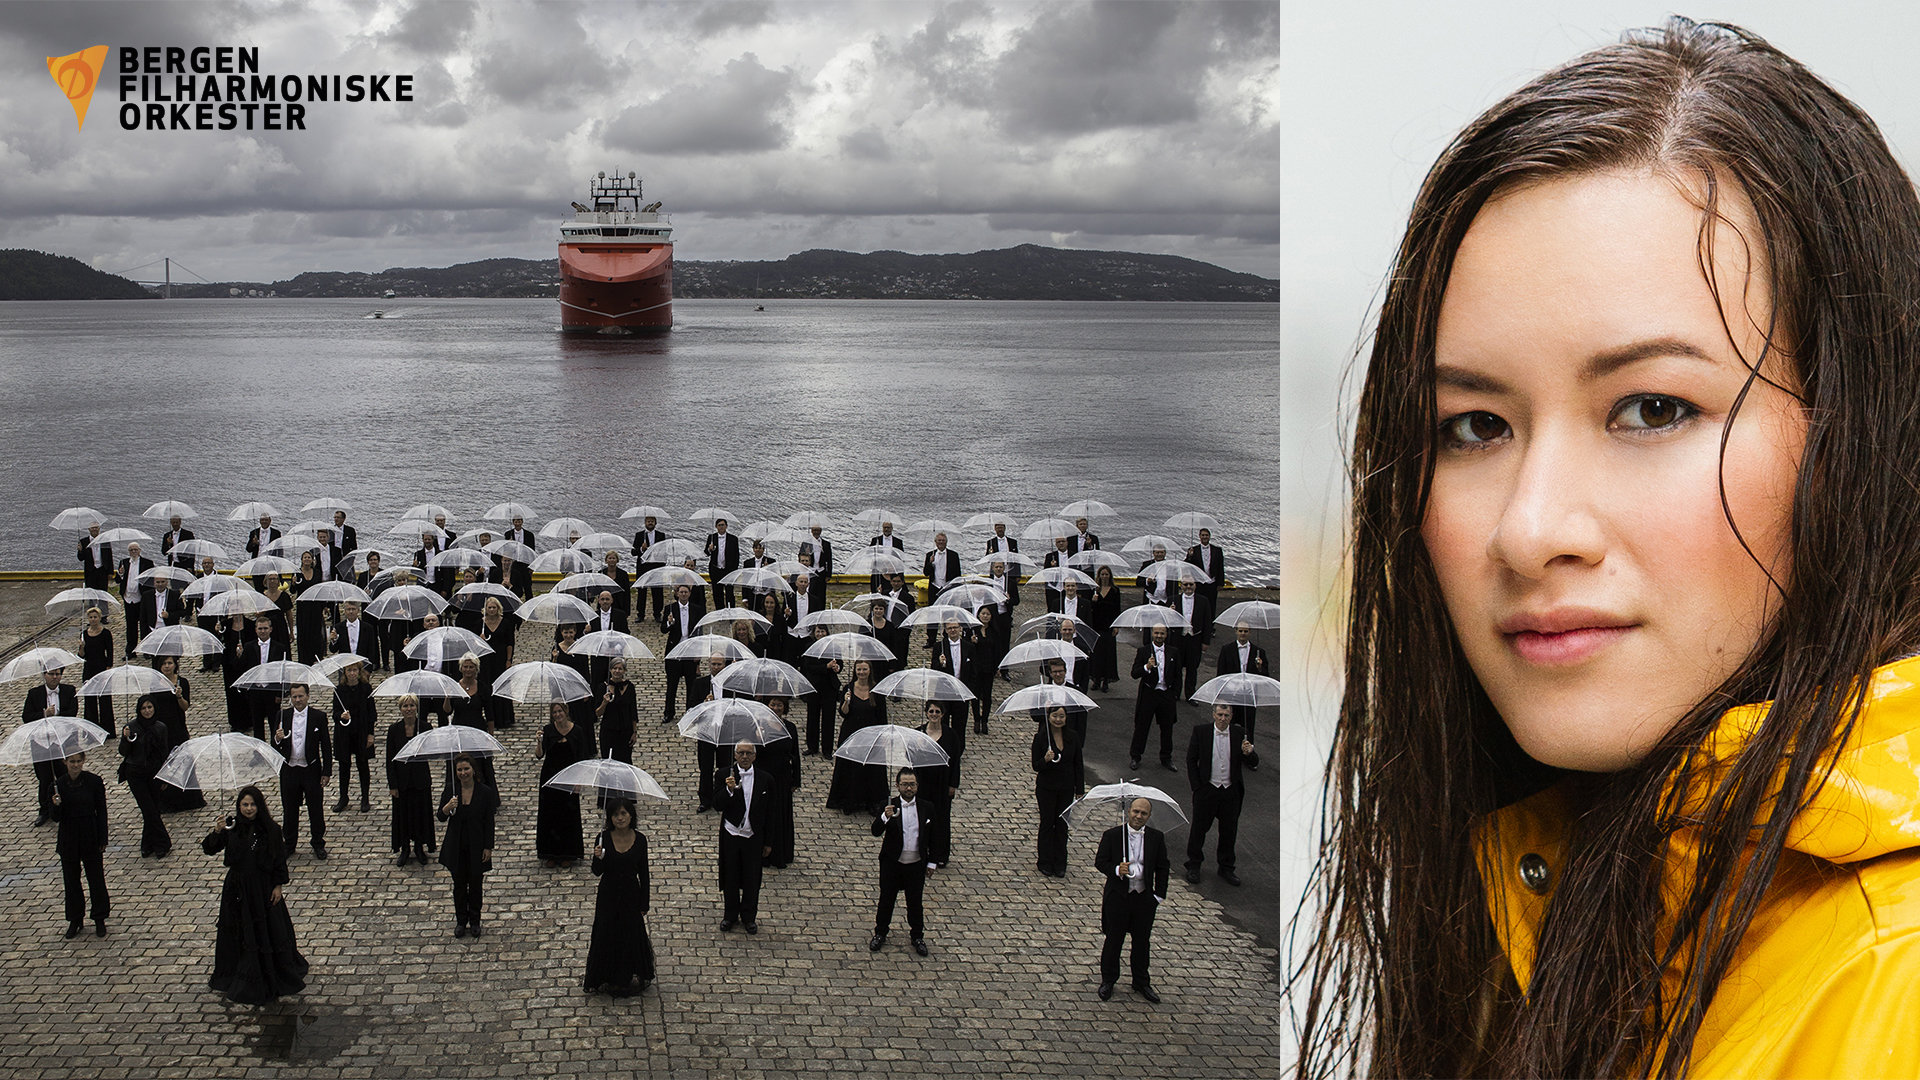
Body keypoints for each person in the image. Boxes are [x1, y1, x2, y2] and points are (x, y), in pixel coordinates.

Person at [1292, 20, 1920, 1077]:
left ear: (1868, 434)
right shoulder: (1548, 902)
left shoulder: (1889, 979)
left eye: (1653, 407)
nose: (1531, 529)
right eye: (1474, 426)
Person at [202, 786, 308, 1002]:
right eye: (244, 805)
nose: (249, 809)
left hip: (262, 887)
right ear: (239, 806)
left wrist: (278, 885)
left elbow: (279, 858)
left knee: (268, 929)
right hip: (237, 887)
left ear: (259, 806)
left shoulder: (270, 829)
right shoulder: (231, 827)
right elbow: (210, 849)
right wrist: (217, 830)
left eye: (252, 804)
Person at [1094, 797, 1168, 1003]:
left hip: (1144, 898)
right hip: (1118, 898)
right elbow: (1100, 862)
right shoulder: (1112, 835)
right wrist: (1117, 869)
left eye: (1143, 813)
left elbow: (1163, 866)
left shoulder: (1156, 837)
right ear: (1129, 812)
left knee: (1142, 942)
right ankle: (1108, 980)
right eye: (1135, 812)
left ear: (1148, 816)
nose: (1138, 816)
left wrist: (1158, 896)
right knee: (1114, 940)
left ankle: (1141, 982)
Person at [584, 799, 655, 997]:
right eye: (615, 815)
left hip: (631, 895)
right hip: (608, 895)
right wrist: (597, 857)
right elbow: (597, 872)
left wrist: (645, 901)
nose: (620, 818)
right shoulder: (603, 838)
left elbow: (644, 872)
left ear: (631, 816)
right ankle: (610, 978)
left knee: (628, 936)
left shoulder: (640, 839)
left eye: (623, 814)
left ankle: (624, 978)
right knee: (608, 935)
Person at [1184, 703, 1257, 886]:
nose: (1223, 718)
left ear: (1231, 716)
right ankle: (1193, 865)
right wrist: (1197, 787)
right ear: (1213, 715)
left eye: (1226, 715)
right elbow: (1191, 760)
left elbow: (1254, 761)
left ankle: (1226, 867)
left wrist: (1249, 753)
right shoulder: (1201, 731)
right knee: (1199, 829)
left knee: (1229, 831)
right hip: (1207, 789)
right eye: (1220, 714)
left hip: (1230, 791)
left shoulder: (1240, 733)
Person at [868, 768, 937, 956]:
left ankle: (917, 936)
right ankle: (880, 932)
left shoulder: (926, 807)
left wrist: (932, 863)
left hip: (916, 864)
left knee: (915, 902)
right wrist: (884, 816)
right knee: (886, 900)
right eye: (905, 784)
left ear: (917, 786)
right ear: (897, 786)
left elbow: (934, 837)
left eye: (912, 784)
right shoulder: (888, 805)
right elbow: (875, 831)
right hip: (892, 863)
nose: (909, 788)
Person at [438, 752, 498, 938]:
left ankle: (475, 920)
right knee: (459, 886)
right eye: (459, 770)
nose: (463, 773)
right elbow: (440, 817)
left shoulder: (485, 792)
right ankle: (461, 920)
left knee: (475, 884)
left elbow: (489, 822)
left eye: (466, 769)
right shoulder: (451, 790)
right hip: (456, 845)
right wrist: (447, 808)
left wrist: (488, 847)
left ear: (473, 770)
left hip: (476, 845)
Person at [50, 751, 109, 939]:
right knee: (71, 881)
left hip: (89, 834)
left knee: (96, 878)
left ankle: (99, 918)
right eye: (72, 762)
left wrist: (102, 839)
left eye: (78, 761)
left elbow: (101, 811)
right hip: (69, 837)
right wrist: (55, 805)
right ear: (65, 762)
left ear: (83, 761)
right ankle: (75, 919)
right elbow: (56, 818)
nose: (75, 765)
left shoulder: (93, 781)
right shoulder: (58, 785)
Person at [715, 740, 771, 933]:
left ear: (755, 756)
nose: (745, 757)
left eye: (748, 753)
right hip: (731, 833)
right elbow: (717, 804)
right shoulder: (724, 775)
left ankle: (749, 916)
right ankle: (729, 915)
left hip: (753, 835)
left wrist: (768, 842)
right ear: (735, 755)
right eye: (741, 753)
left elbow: (771, 814)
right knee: (730, 876)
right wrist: (728, 790)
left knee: (752, 877)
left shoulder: (765, 779)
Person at [272, 683, 332, 859]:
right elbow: (273, 744)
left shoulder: (318, 717)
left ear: (307, 696)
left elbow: (326, 745)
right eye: (294, 697)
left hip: (310, 769)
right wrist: (277, 738)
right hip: (290, 769)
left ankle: (318, 843)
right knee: (289, 809)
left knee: (315, 808)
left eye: (300, 696)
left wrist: (326, 771)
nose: (297, 700)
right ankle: (289, 843)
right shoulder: (282, 715)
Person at [827, 659, 887, 815]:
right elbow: (843, 713)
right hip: (851, 731)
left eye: (864, 669)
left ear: (869, 670)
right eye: (859, 669)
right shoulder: (848, 688)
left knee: (871, 768)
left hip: (871, 733)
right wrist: (846, 702)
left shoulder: (877, 690)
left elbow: (882, 716)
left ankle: (872, 801)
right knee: (851, 767)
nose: (861, 672)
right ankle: (850, 800)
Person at [535, 701, 590, 868]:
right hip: (550, 776)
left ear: (566, 711)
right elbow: (539, 755)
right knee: (549, 814)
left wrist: (578, 782)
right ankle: (550, 853)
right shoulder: (548, 730)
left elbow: (581, 758)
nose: (557, 715)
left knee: (568, 815)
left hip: (570, 777)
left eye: (560, 711)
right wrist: (538, 741)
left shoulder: (577, 731)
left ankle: (568, 853)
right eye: (554, 713)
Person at [23, 667, 78, 826]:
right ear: (44, 675)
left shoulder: (69, 691)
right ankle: (45, 810)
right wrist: (44, 714)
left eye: (57, 674)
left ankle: (67, 806)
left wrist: (58, 715)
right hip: (41, 742)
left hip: (62, 740)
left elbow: (73, 712)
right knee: (45, 778)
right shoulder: (35, 693)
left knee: (64, 775)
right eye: (51, 674)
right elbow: (26, 717)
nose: (55, 677)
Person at [1031, 705, 1081, 878]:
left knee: (1061, 826)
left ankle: (1060, 862)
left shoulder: (1072, 737)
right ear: (1049, 717)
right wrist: (1045, 759)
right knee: (1047, 824)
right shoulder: (1041, 738)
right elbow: (1035, 766)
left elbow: (1078, 763)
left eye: (1061, 716)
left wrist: (1079, 789)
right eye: (1055, 716)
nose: (1058, 719)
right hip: (1047, 788)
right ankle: (1044, 861)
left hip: (1066, 788)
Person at [118, 696, 171, 857]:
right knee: (148, 809)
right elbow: (123, 752)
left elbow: (164, 753)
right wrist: (125, 738)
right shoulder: (131, 727)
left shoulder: (161, 727)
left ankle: (147, 843)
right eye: (143, 708)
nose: (147, 711)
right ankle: (163, 843)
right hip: (135, 773)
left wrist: (164, 777)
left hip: (154, 773)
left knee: (153, 809)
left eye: (149, 707)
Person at [385, 694, 435, 866]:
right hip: (402, 780)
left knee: (421, 815)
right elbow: (390, 758)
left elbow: (432, 752)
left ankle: (420, 848)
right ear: (401, 709)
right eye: (405, 706)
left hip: (420, 779)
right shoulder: (394, 729)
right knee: (403, 816)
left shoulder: (425, 727)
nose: (409, 709)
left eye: (412, 706)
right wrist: (393, 785)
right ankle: (405, 848)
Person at [1128, 624, 1180, 772]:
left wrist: (1174, 694)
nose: (1159, 636)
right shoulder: (1144, 651)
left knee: (1167, 728)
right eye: (1156, 633)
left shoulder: (1173, 652)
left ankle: (1166, 757)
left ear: (1166, 634)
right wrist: (1147, 667)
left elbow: (1177, 675)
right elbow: (1134, 673)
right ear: (1152, 634)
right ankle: (1135, 756)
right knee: (1142, 726)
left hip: (1166, 694)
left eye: (1162, 633)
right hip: (1149, 694)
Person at [917, 701, 962, 867]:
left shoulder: (951, 735)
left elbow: (956, 761)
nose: (934, 714)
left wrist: (953, 785)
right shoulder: (919, 733)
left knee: (941, 820)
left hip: (942, 783)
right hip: (923, 782)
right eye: (931, 711)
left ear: (942, 714)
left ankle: (940, 855)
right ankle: (922, 852)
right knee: (922, 820)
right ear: (926, 713)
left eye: (937, 711)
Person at [760, 695, 802, 869]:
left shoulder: (790, 727)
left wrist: (796, 780)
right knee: (765, 815)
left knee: (781, 815)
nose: (776, 708)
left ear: (784, 708)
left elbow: (796, 755)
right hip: (765, 776)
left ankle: (781, 853)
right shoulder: (760, 727)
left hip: (783, 777)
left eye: (779, 705)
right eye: (772, 704)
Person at [331, 659, 378, 813]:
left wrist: (370, 734)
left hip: (361, 731)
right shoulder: (339, 690)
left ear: (359, 673)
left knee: (362, 764)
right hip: (344, 733)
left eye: (354, 670)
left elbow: (372, 713)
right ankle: (343, 797)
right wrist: (341, 716)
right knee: (344, 766)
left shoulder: (365, 688)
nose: (352, 673)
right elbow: (334, 714)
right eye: (349, 671)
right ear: (345, 673)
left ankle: (365, 798)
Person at [1214, 620, 1270, 744]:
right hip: (1231, 695)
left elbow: (1265, 676)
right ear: (1236, 632)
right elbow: (1220, 674)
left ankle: (1248, 754)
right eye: (1240, 631)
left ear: (1250, 632)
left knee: (1248, 728)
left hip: (1248, 696)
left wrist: (1260, 667)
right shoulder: (1226, 649)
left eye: (1245, 631)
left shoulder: (1259, 652)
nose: (1243, 634)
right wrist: (1221, 696)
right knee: (1229, 725)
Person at [1086, 567, 1123, 693]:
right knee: (1096, 654)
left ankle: (1106, 680)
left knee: (1108, 654)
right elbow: (1090, 609)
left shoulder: (1115, 591)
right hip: (1096, 626)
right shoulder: (1095, 590)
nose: (1105, 576)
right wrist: (1093, 601)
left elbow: (1118, 609)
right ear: (1099, 575)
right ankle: (1096, 679)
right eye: (1102, 574)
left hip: (1109, 626)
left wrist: (1117, 626)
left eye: (1107, 574)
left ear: (1110, 575)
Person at [79, 607, 114, 735]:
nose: (93, 620)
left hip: (101, 667)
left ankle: (107, 729)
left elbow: (110, 652)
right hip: (89, 668)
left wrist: (108, 668)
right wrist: (81, 647)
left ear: (99, 618)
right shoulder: (84, 634)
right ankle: (91, 729)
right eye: (91, 617)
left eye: (95, 617)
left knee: (104, 700)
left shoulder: (105, 633)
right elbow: (81, 655)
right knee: (90, 700)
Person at [596, 657, 639, 764]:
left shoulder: (630, 687)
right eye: (614, 668)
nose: (617, 671)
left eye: (620, 669)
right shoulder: (603, 687)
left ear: (624, 671)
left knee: (625, 761)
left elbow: (633, 711)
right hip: (608, 730)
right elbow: (598, 713)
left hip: (625, 731)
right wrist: (604, 702)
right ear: (610, 670)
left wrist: (634, 732)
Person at [115, 541, 154, 655]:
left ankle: (146, 650)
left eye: (135, 549)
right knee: (130, 625)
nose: (133, 552)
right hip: (128, 598)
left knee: (144, 625)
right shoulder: (123, 563)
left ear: (139, 550)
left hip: (141, 598)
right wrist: (120, 573)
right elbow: (117, 580)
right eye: (131, 550)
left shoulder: (147, 563)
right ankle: (130, 650)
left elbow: (151, 581)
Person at [631, 514, 666, 620]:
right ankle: (640, 614)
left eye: (652, 521)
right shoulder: (639, 535)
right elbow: (633, 552)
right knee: (642, 592)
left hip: (656, 566)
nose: (650, 523)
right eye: (648, 521)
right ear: (645, 523)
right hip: (643, 567)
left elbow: (664, 551)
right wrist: (641, 549)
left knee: (657, 592)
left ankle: (657, 614)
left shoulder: (661, 535)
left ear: (655, 523)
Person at [706, 517, 741, 610]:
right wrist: (710, 549)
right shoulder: (711, 537)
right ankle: (719, 610)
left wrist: (734, 569)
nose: (721, 527)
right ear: (716, 527)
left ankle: (731, 611)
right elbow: (706, 552)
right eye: (719, 525)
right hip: (716, 569)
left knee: (729, 592)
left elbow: (736, 555)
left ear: (726, 526)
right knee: (717, 593)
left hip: (728, 570)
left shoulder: (733, 539)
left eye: (723, 525)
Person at [1184, 527, 1224, 606]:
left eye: (1206, 535)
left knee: (1212, 603)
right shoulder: (1194, 549)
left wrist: (1220, 583)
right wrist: (1190, 556)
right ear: (1199, 536)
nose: (1205, 537)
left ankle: (1211, 618)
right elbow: (1187, 564)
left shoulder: (1217, 550)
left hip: (1212, 582)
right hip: (1199, 582)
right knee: (1199, 604)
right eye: (1203, 535)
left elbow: (1220, 567)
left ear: (1209, 536)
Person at [78, 522, 111, 591]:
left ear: (99, 529)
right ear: (89, 529)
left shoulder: (105, 541)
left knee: (103, 592)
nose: (94, 529)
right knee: (91, 592)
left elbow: (109, 556)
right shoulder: (83, 542)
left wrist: (110, 572)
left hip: (102, 570)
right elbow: (81, 558)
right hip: (90, 571)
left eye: (96, 527)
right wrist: (80, 551)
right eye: (92, 528)